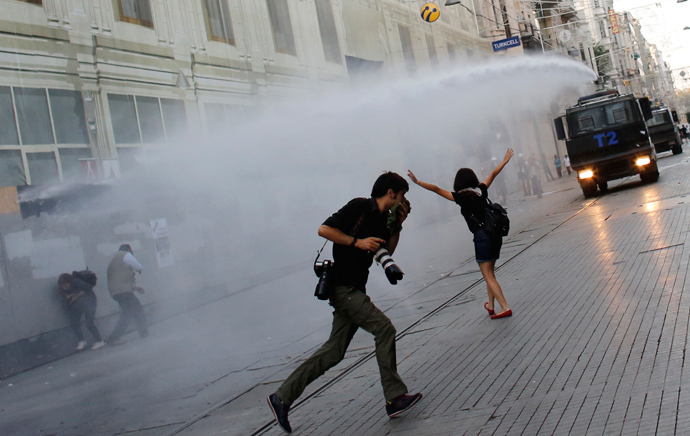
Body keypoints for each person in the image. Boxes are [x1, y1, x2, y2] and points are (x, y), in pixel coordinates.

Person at [267, 172, 423, 434]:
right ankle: (394, 397)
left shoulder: (385, 219)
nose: (403, 200)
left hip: (355, 289)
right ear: (391, 192)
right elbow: (324, 229)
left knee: (334, 351)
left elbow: (387, 252)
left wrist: (398, 225)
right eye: (402, 195)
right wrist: (356, 241)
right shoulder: (360, 206)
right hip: (343, 289)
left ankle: (281, 397)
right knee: (384, 329)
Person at [407, 149, 514, 320]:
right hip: (495, 235)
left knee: (487, 275)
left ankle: (505, 307)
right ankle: (492, 306)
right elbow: (493, 174)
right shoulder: (481, 189)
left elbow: (435, 189)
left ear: (458, 182)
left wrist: (417, 181)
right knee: (490, 273)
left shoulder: (460, 197)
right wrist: (505, 160)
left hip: (481, 237)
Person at [106, 244, 148, 345]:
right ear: (129, 249)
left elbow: (121, 278)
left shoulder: (114, 260)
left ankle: (142, 332)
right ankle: (113, 338)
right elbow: (139, 267)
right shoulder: (126, 255)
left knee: (129, 312)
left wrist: (136, 288)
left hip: (115, 292)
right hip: (123, 291)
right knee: (134, 311)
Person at [58, 273, 105, 350]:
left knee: (89, 322)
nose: (64, 287)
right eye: (62, 286)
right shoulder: (63, 289)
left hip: (90, 302)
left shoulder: (76, 282)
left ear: (69, 282)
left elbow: (89, 288)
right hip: (78, 306)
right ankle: (82, 341)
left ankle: (99, 341)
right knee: (74, 322)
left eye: (65, 285)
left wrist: (76, 296)